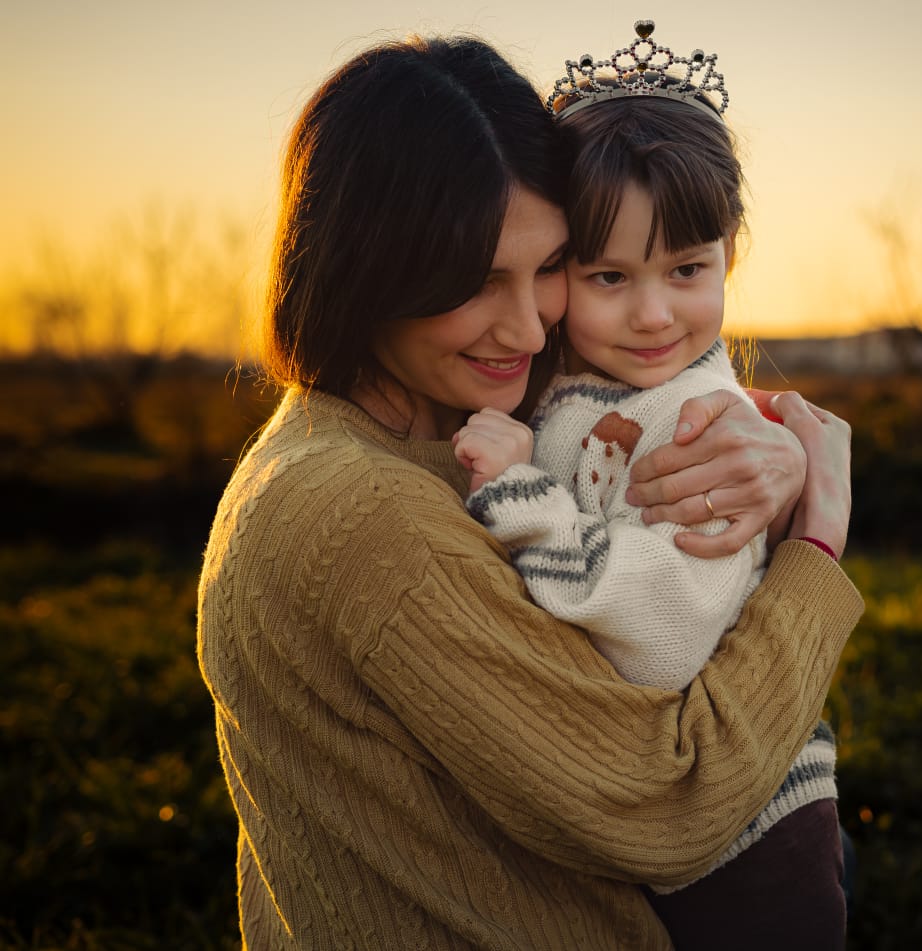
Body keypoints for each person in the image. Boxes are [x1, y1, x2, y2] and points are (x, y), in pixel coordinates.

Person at [195, 30, 861, 951]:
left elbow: (636, 408)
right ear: (368, 268)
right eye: (474, 281)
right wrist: (813, 549)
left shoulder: (428, 421)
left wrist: (773, 444)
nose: (525, 324)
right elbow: (667, 805)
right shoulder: (364, 513)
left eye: (548, 266)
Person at [451, 21, 847, 948]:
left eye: (686, 269)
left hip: (748, 845)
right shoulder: (580, 391)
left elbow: (668, 635)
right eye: (608, 276)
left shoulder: (697, 428)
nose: (653, 312)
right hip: (668, 816)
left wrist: (525, 501)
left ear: (730, 253)